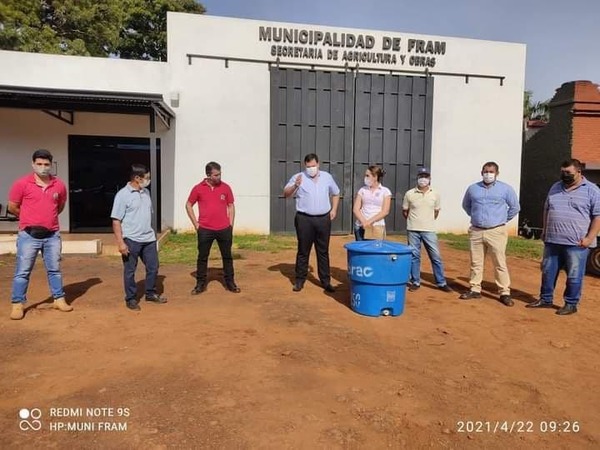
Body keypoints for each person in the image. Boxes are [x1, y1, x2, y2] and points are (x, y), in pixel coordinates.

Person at [526, 159, 600, 315]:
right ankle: (545, 299)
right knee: (548, 272)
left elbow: (597, 217)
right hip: (552, 241)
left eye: (568, 173)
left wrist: (588, 239)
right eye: (562, 172)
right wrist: (545, 231)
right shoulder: (555, 187)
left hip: (577, 244)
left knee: (574, 275)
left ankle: (571, 304)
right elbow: (547, 209)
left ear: (579, 172)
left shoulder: (592, 190)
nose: (564, 175)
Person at [8, 149, 71, 320]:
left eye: (46, 164)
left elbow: (60, 205)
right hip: (28, 235)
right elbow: (12, 206)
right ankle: (17, 304)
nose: (43, 167)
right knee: (23, 271)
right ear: (33, 164)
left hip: (52, 235)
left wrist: (47, 218)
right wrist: (28, 218)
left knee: (55, 269)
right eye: (39, 164)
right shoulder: (22, 184)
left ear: (51, 165)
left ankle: (59, 299)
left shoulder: (59, 185)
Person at [460, 162, 520, 306]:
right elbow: (466, 205)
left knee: (499, 262)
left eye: (491, 171)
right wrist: (475, 216)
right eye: (486, 171)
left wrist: (502, 219)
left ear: (497, 173)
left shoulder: (505, 189)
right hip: (476, 230)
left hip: (496, 231)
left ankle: (504, 292)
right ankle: (475, 289)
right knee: (476, 262)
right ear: (481, 172)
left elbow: (515, 207)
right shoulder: (473, 189)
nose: (488, 174)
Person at [111, 164, 166, 311]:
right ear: (137, 178)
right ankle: (130, 298)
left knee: (153, 267)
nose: (148, 180)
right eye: (146, 178)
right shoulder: (122, 195)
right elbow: (116, 220)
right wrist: (121, 243)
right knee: (130, 271)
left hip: (148, 239)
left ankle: (150, 293)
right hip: (131, 239)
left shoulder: (146, 192)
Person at [284, 153, 340, 292]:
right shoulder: (299, 177)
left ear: (318, 164)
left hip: (323, 218)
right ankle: (299, 280)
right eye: (308, 166)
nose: (311, 168)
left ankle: (326, 281)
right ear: (305, 166)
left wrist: (334, 209)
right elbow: (286, 193)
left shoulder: (327, 177)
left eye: (313, 166)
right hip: (304, 219)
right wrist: (295, 185)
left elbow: (336, 193)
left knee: (323, 251)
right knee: (303, 250)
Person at [186, 161, 240, 295]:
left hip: (224, 229)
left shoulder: (226, 187)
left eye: (220, 174)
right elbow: (188, 205)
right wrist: (196, 224)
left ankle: (230, 283)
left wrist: (230, 224)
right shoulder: (198, 188)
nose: (219, 177)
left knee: (227, 256)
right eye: (216, 175)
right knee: (203, 257)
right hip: (205, 229)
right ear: (208, 175)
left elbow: (231, 205)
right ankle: (200, 284)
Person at [402, 167, 452, 293]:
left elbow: (436, 212)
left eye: (426, 176)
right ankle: (415, 281)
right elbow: (405, 211)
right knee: (414, 256)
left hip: (429, 230)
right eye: (421, 176)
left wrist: (427, 221)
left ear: (429, 178)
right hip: (413, 229)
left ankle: (441, 282)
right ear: (417, 178)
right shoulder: (409, 194)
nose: (423, 179)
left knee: (435, 256)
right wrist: (414, 221)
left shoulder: (435, 194)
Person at [353, 165, 392, 241]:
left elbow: (385, 211)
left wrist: (369, 222)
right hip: (360, 226)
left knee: (375, 251)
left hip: (377, 226)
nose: (365, 177)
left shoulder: (385, 191)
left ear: (375, 177)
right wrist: (364, 222)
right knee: (360, 251)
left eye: (368, 175)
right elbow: (356, 209)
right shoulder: (362, 190)